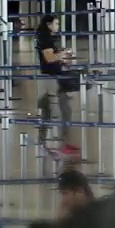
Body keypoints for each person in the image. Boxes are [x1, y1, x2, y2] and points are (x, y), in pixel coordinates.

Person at [34, 15, 77, 154]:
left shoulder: (46, 39)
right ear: (49, 24)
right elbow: (49, 58)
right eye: (56, 23)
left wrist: (61, 58)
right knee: (57, 110)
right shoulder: (45, 40)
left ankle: (47, 142)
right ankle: (58, 143)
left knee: (54, 110)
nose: (58, 26)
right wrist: (63, 54)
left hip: (52, 77)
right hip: (50, 79)